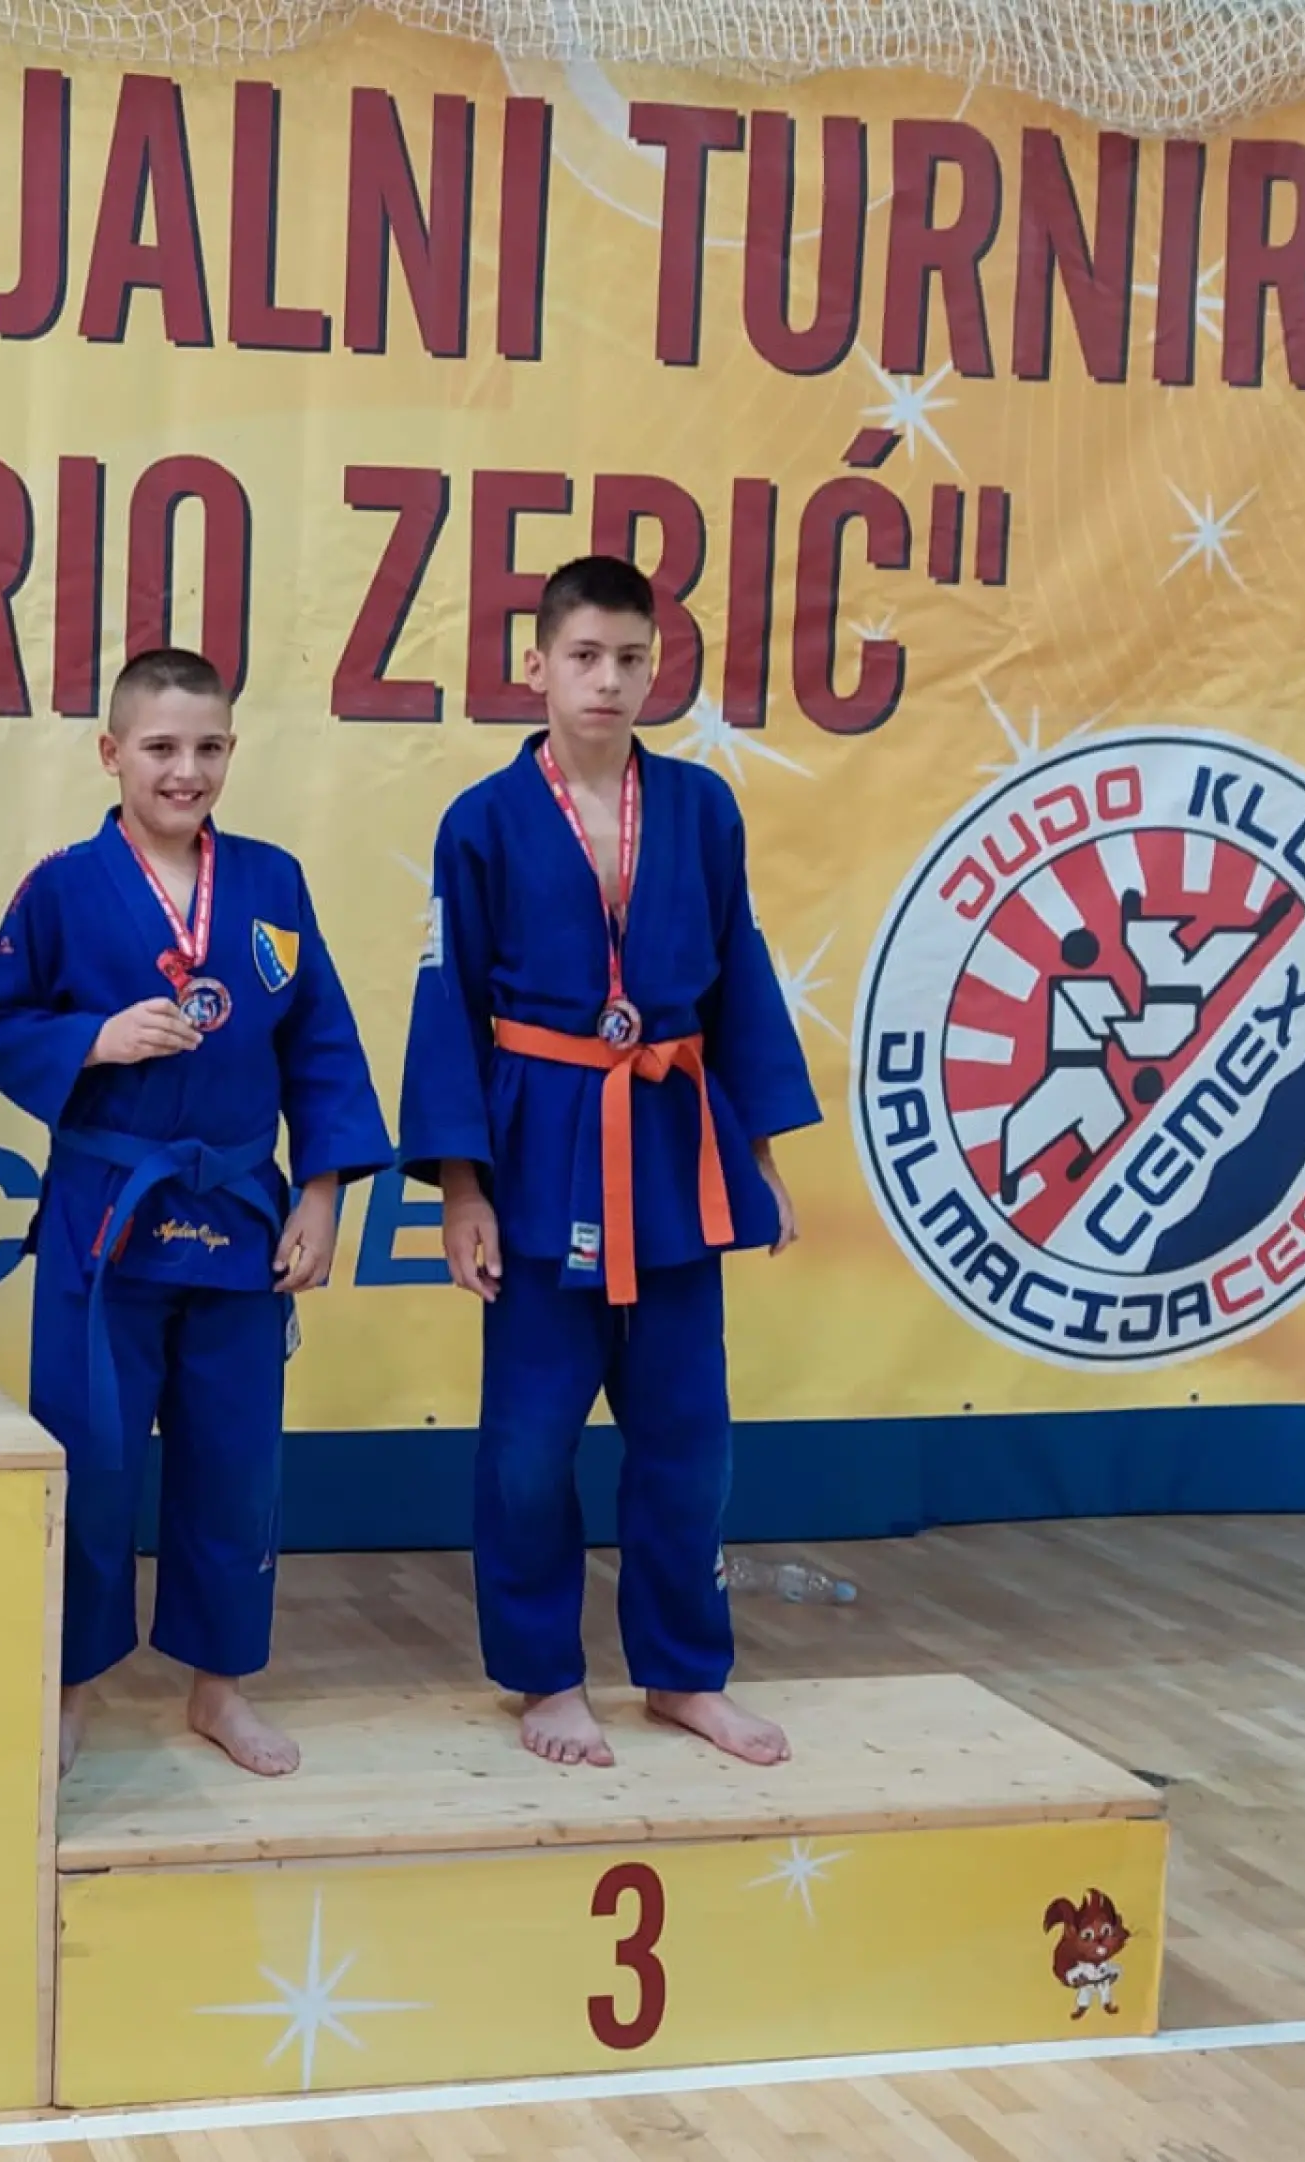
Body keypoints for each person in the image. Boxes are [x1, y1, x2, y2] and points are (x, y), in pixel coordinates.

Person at [396, 555, 817, 1770]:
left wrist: (758, 1153)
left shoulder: (701, 809)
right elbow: (448, 1004)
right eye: (584, 655)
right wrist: (463, 1188)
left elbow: (739, 978)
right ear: (535, 665)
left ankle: (685, 1671)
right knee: (531, 1443)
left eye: (632, 658)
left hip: (675, 1145)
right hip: (543, 1146)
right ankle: (546, 1676)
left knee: (689, 1435)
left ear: (656, 668)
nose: (609, 680)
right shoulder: (482, 820)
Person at [0, 650, 390, 1777]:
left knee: (235, 1465)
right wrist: (91, 1039)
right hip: (106, 1223)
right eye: (159, 747)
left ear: (232, 751)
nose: (184, 770)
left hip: (241, 1220)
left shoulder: (272, 882)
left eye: (207, 747)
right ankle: (69, 1685)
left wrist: (320, 1194)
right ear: (111, 753)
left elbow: (323, 1044)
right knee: (93, 1461)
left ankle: (220, 1688)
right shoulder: (62, 887)